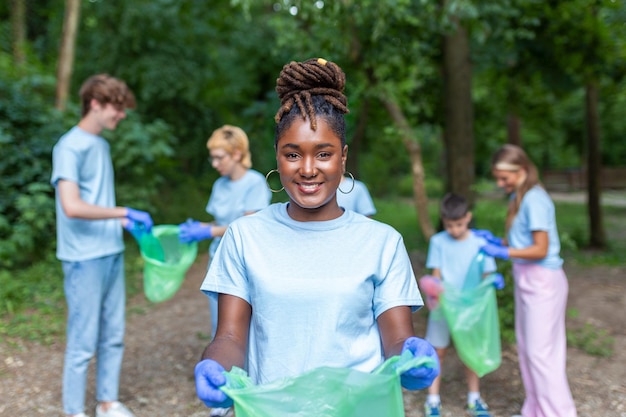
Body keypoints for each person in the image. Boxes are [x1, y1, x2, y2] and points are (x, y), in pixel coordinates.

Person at [193, 57, 440, 413]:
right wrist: (215, 365)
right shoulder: (245, 236)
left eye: (323, 154)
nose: (308, 169)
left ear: (343, 157)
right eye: (292, 154)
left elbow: (397, 338)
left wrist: (412, 355)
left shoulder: (382, 242)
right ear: (277, 159)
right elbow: (230, 337)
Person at [51, 74, 153, 417]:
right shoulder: (69, 146)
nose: (121, 116)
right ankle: (74, 411)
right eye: (116, 108)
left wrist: (122, 222)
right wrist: (123, 210)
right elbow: (72, 206)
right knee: (82, 341)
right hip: (83, 257)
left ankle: (107, 403)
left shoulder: (102, 145)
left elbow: (96, 203)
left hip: (111, 251)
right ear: (95, 104)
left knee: (113, 334)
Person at [476, 144, 577, 417]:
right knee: (528, 350)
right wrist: (497, 241)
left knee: (541, 355)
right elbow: (522, 242)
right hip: (527, 278)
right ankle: (535, 410)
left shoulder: (535, 199)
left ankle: (559, 413)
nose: (499, 183)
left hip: (542, 280)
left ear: (520, 170)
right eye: (497, 177)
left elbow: (541, 248)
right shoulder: (519, 197)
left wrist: (503, 251)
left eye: (503, 178)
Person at [178, 124, 271, 417]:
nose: (215, 164)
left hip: (248, 264)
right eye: (212, 158)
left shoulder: (255, 183)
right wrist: (203, 232)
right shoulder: (220, 185)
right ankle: (224, 394)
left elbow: (249, 226)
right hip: (219, 262)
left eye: (220, 157)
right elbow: (220, 223)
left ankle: (253, 390)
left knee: (250, 329)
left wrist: (207, 230)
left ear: (237, 153)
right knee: (222, 328)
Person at [423, 193, 503, 417]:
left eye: (459, 224)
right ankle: (433, 399)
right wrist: (434, 291)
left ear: (468, 217)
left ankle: (474, 398)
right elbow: (436, 274)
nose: (455, 230)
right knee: (437, 350)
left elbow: (487, 273)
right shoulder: (438, 241)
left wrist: (492, 281)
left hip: (471, 307)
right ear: (443, 220)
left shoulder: (479, 243)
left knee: (472, 351)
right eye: (449, 225)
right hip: (445, 304)